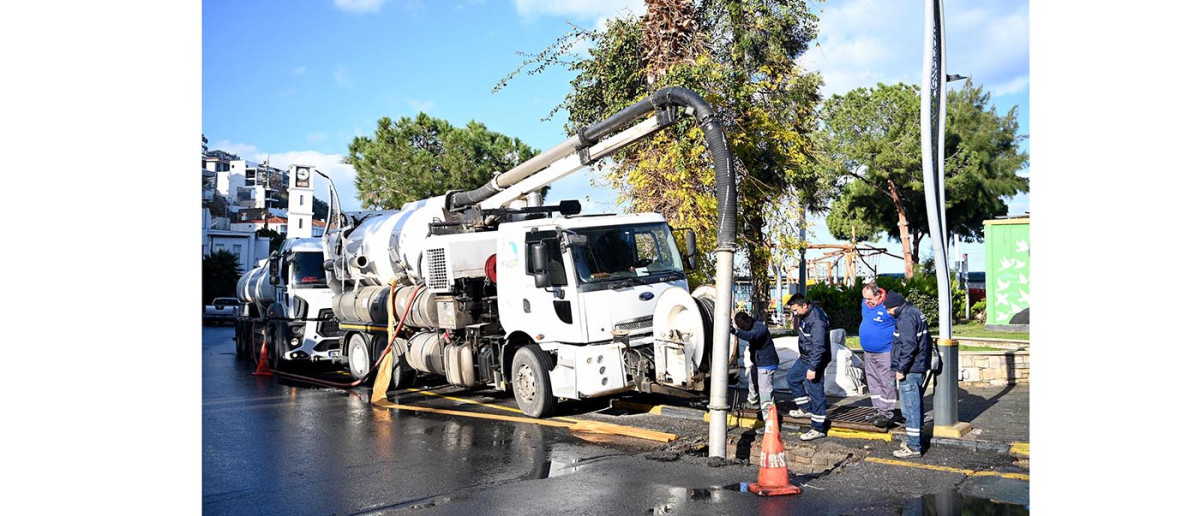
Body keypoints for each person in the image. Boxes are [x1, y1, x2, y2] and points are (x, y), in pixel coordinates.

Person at [885, 292, 933, 459]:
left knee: (910, 408)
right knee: (915, 406)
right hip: (918, 366)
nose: (887, 313)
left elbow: (908, 346)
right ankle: (916, 439)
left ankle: (914, 447)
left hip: (911, 369)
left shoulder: (905, 318)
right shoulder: (914, 312)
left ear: (895, 307)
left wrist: (901, 369)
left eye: (888, 309)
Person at [785, 294, 830, 441]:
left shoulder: (817, 321)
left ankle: (818, 427)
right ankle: (805, 408)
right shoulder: (806, 314)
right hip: (805, 357)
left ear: (805, 305)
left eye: (796, 310)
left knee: (815, 392)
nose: (795, 313)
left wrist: (813, 368)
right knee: (792, 378)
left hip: (814, 361)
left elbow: (819, 347)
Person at [860, 282, 899, 428]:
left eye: (869, 299)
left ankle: (887, 412)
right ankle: (878, 409)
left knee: (886, 380)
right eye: (865, 299)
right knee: (873, 381)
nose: (867, 302)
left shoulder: (888, 306)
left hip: (885, 351)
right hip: (868, 351)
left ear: (878, 295)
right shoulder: (866, 303)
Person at [731, 312, 779, 425]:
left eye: (743, 327)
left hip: (766, 364)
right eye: (740, 328)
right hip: (758, 362)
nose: (743, 329)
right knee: (752, 380)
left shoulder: (759, 328)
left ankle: (769, 423)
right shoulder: (750, 324)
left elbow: (751, 336)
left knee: (765, 392)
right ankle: (753, 402)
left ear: (748, 321)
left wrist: (736, 331)